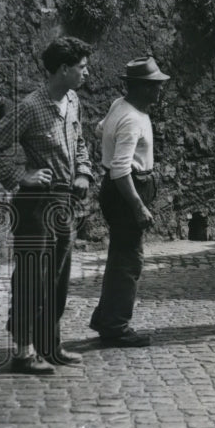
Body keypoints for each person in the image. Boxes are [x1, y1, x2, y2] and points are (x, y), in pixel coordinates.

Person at [0, 36, 94, 374]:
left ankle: (49, 345)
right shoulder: (31, 107)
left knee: (58, 277)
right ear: (63, 69)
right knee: (32, 277)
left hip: (64, 204)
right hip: (34, 206)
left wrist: (84, 173)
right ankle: (22, 351)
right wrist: (20, 176)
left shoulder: (72, 100)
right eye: (82, 67)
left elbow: (81, 142)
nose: (87, 73)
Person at [89, 56, 170, 347]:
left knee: (120, 257)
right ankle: (116, 326)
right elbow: (121, 169)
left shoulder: (119, 106)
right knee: (129, 261)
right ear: (141, 88)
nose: (159, 91)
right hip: (127, 191)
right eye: (155, 86)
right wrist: (139, 206)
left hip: (119, 188)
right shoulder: (133, 119)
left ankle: (106, 318)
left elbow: (100, 129)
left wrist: (111, 143)